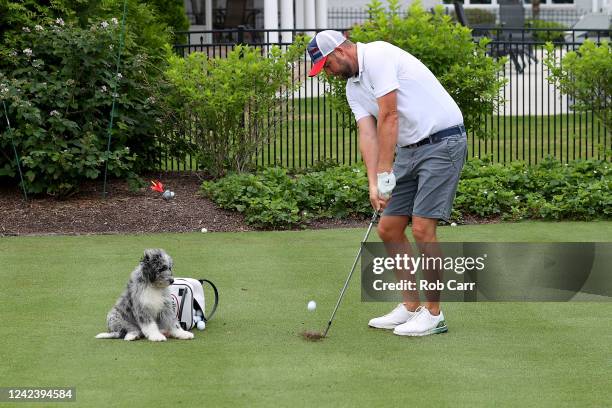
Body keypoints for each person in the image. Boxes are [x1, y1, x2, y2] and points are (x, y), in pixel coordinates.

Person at [307, 30, 467, 337]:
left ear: (339, 52)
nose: (327, 74)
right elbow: (367, 133)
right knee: (389, 227)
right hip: (410, 148)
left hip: (442, 141)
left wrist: (385, 172)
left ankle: (434, 315)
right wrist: (373, 183)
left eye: (326, 66)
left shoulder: (378, 55)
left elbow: (390, 115)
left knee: (422, 228)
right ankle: (410, 307)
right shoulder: (353, 88)